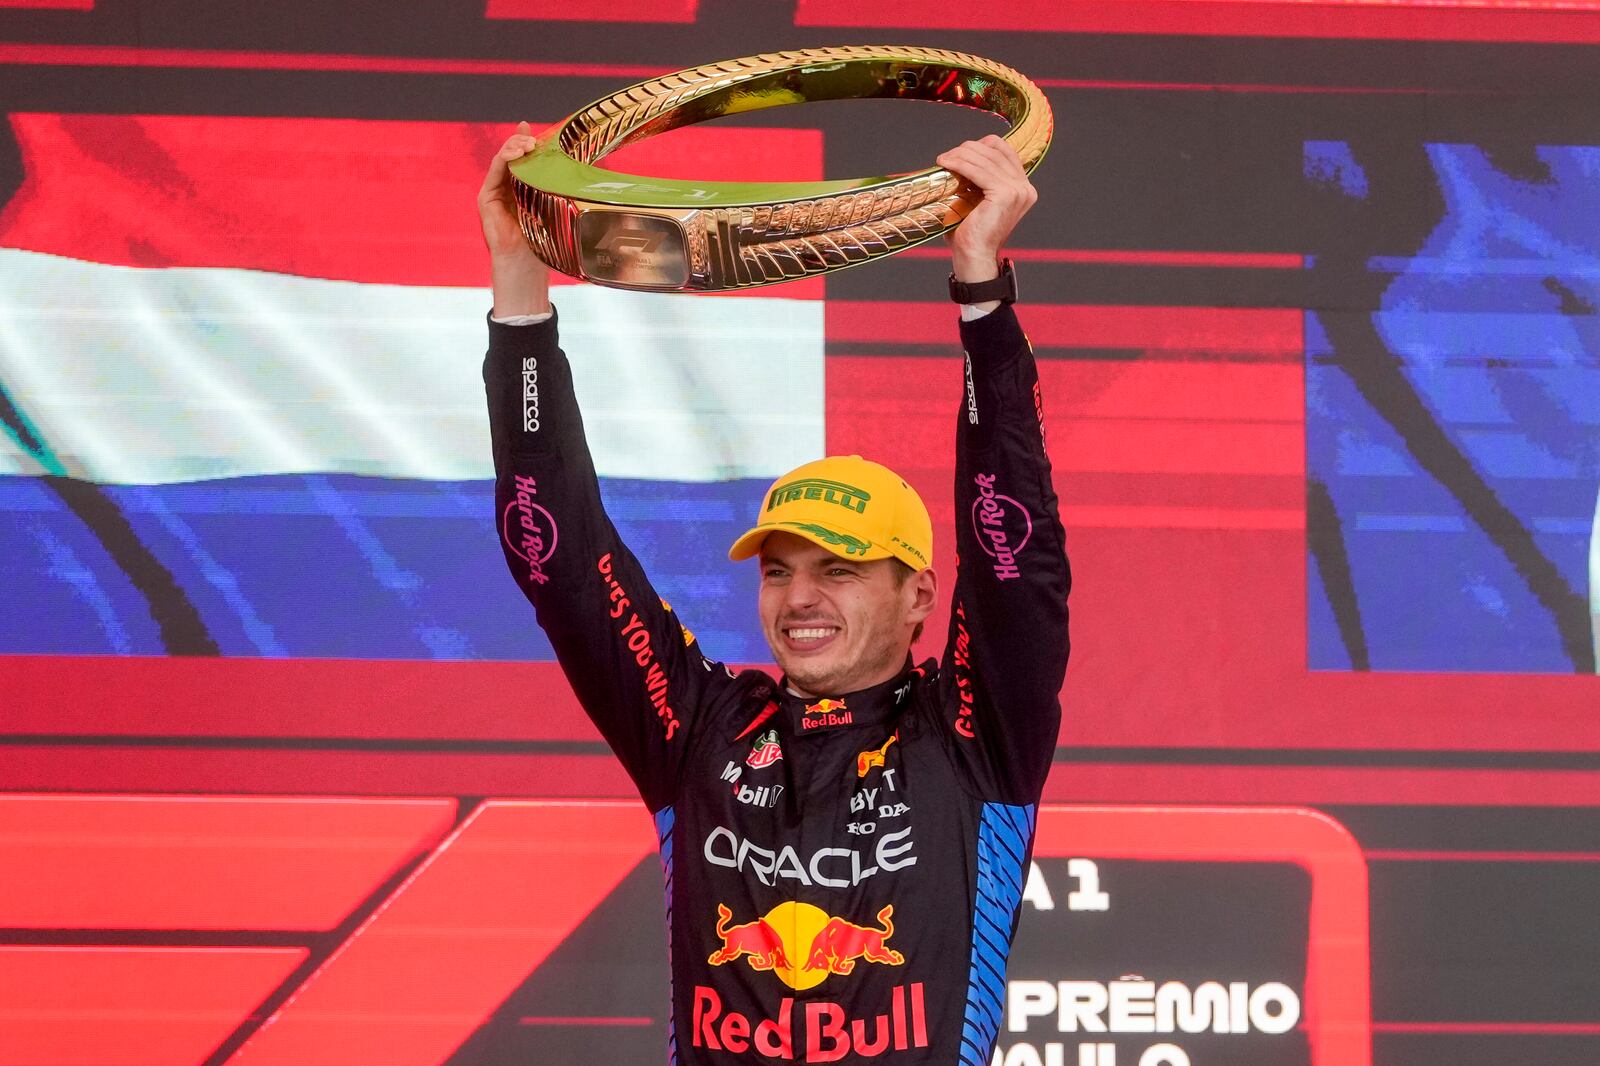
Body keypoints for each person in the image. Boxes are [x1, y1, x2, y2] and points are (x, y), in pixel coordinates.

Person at [480, 123, 1070, 1064]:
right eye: (779, 568)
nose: (800, 597)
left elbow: (1016, 559)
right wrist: (519, 290)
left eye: (839, 568)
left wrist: (982, 292)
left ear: (919, 595)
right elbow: (552, 552)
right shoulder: (700, 727)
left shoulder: (972, 736)